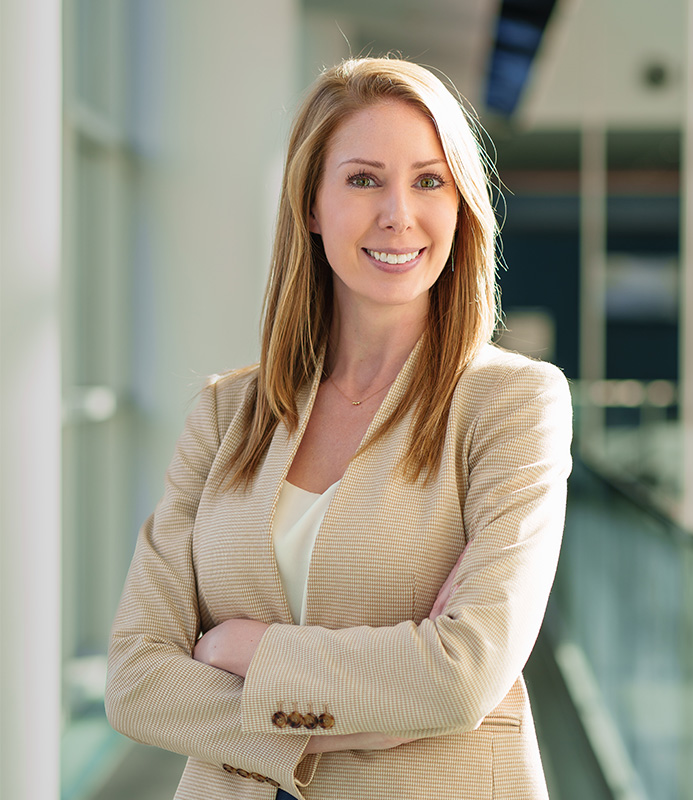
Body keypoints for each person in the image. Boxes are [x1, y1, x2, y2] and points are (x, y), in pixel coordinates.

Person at [105, 56, 572, 800]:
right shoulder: (227, 413)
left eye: (429, 180)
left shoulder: (513, 404)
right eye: (363, 179)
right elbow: (134, 678)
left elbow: (464, 673)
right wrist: (366, 718)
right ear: (311, 205)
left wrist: (244, 649)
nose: (399, 214)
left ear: (461, 204)